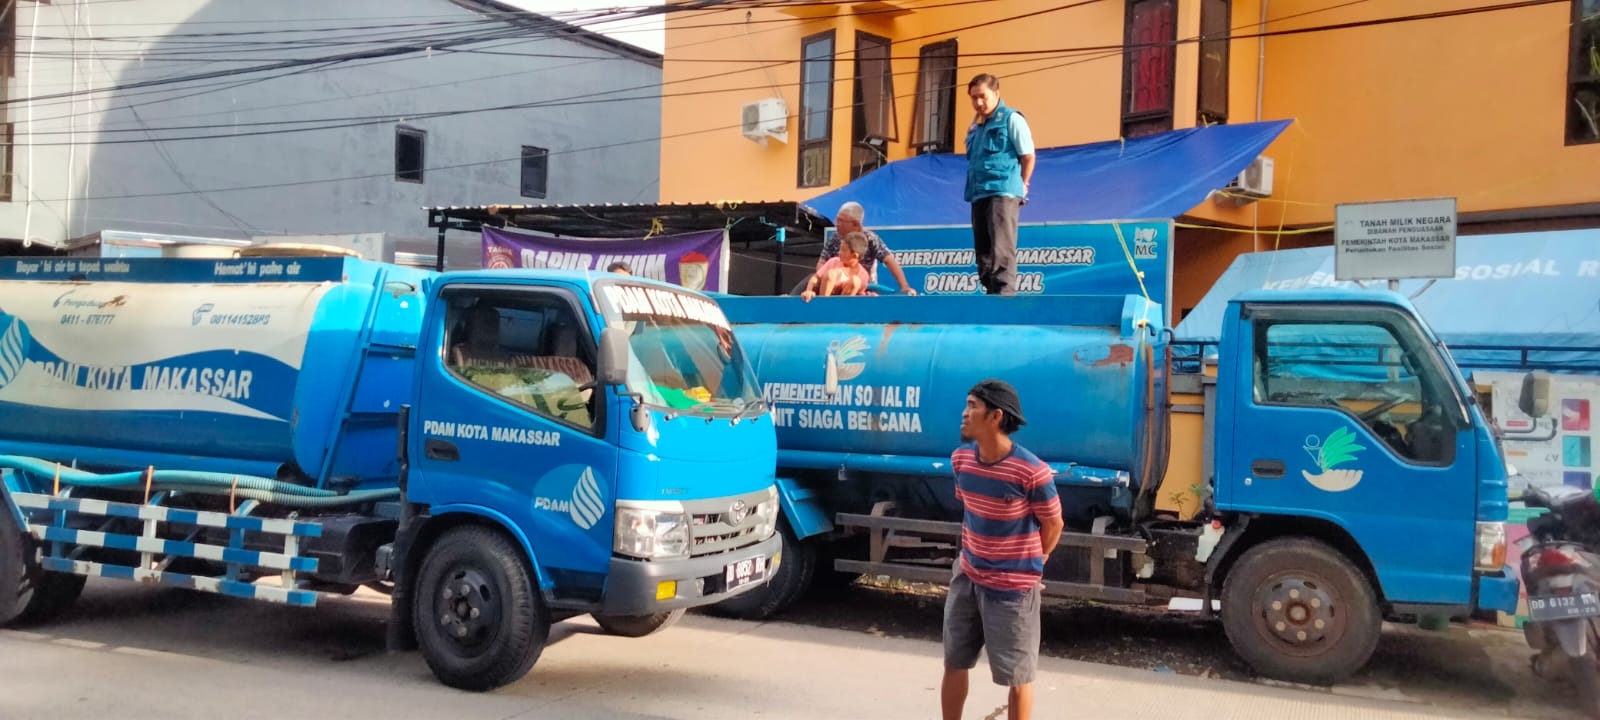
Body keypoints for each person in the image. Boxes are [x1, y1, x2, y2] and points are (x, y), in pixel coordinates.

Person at [941, 379, 1063, 720]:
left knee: (1018, 677)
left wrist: (1035, 564)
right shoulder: (961, 460)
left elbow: (1054, 524)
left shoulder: (1031, 471)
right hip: (967, 577)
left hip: (1012, 591)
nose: (964, 414)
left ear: (995, 416)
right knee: (954, 661)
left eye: (972, 407)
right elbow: (971, 511)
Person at [963, 73, 1035, 296]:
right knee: (983, 252)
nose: (978, 103)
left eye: (982, 97)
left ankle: (1004, 298)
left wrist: (1022, 184)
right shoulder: (975, 125)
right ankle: (991, 294)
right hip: (978, 193)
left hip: (1003, 191)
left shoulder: (1011, 119)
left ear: (996, 93)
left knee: (1001, 249)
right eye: (974, 98)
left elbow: (1028, 156)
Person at [816, 201, 918, 296]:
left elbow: (889, 260)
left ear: (856, 224)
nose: (837, 224)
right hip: (836, 286)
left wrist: (904, 286)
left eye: (841, 221)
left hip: (864, 288)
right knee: (809, 284)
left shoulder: (870, 238)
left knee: (856, 284)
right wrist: (826, 279)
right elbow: (822, 263)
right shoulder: (835, 238)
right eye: (837, 219)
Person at [802, 231, 872, 302]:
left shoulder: (863, 275)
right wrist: (808, 291)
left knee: (855, 281)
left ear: (854, 256)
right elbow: (815, 278)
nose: (839, 252)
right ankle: (824, 304)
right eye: (840, 249)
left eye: (843, 250)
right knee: (831, 274)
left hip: (843, 304)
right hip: (825, 297)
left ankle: (840, 308)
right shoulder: (834, 262)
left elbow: (860, 295)